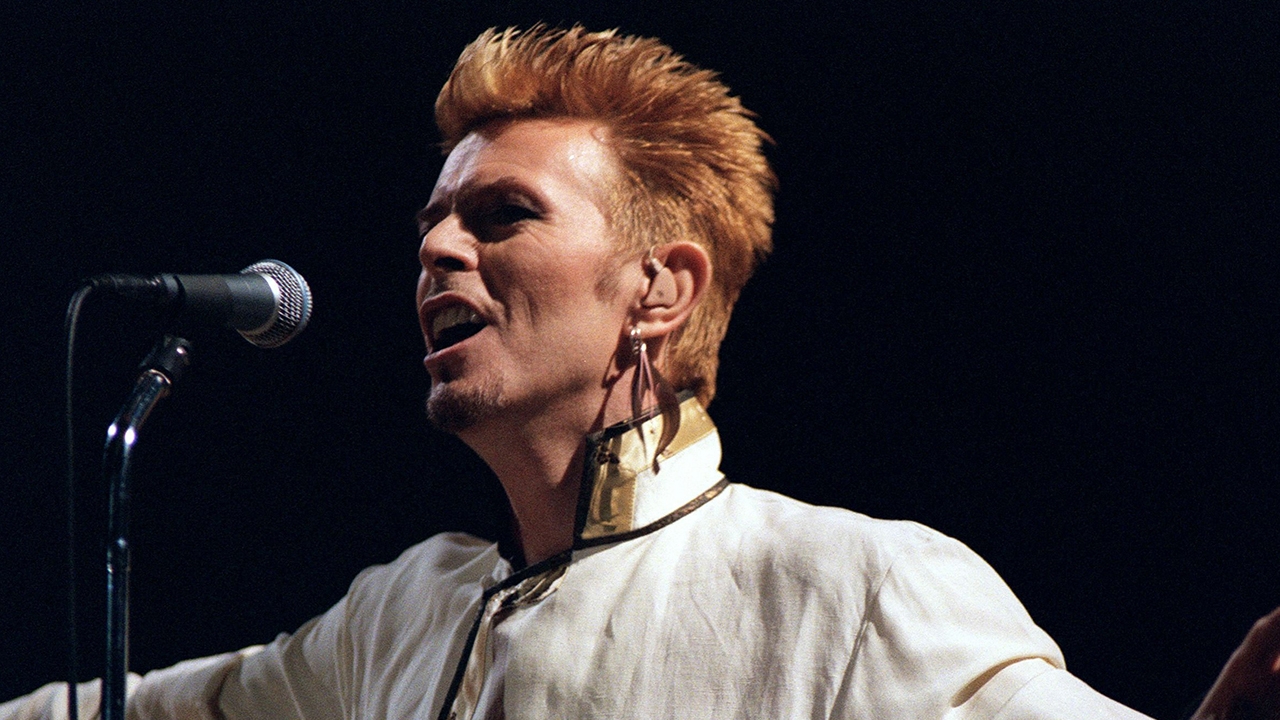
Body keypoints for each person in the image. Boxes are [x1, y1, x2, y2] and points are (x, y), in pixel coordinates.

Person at [5, 24, 1278, 720]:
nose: (437, 250)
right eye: (431, 227)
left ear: (657, 292)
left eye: (502, 216)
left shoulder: (849, 590)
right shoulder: (396, 617)